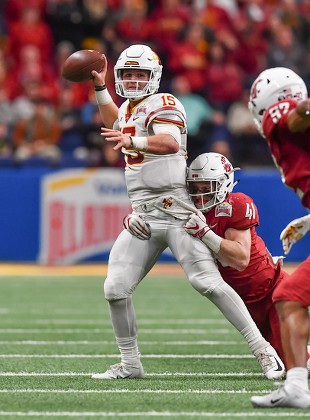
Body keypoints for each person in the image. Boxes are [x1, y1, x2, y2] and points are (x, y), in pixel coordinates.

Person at [90, 44, 284, 380]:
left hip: (177, 209)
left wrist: (133, 143)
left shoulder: (165, 103)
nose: (133, 81)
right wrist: (99, 88)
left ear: (154, 77)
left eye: (140, 74)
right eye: (128, 75)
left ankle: (265, 352)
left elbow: (168, 143)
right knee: (115, 289)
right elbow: (117, 124)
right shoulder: (129, 108)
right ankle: (131, 363)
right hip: (144, 214)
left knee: (206, 282)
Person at [183, 152, 289, 364]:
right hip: (245, 304)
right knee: (287, 357)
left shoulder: (237, 204)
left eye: (206, 188)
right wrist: (136, 219)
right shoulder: (185, 208)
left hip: (272, 291)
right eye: (194, 189)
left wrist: (205, 233)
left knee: (296, 361)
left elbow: (240, 259)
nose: (199, 196)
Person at [246, 67, 310, 408]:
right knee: (288, 296)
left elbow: (297, 118)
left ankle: (298, 386)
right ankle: (297, 387)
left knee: (288, 295)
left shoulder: (280, 113)